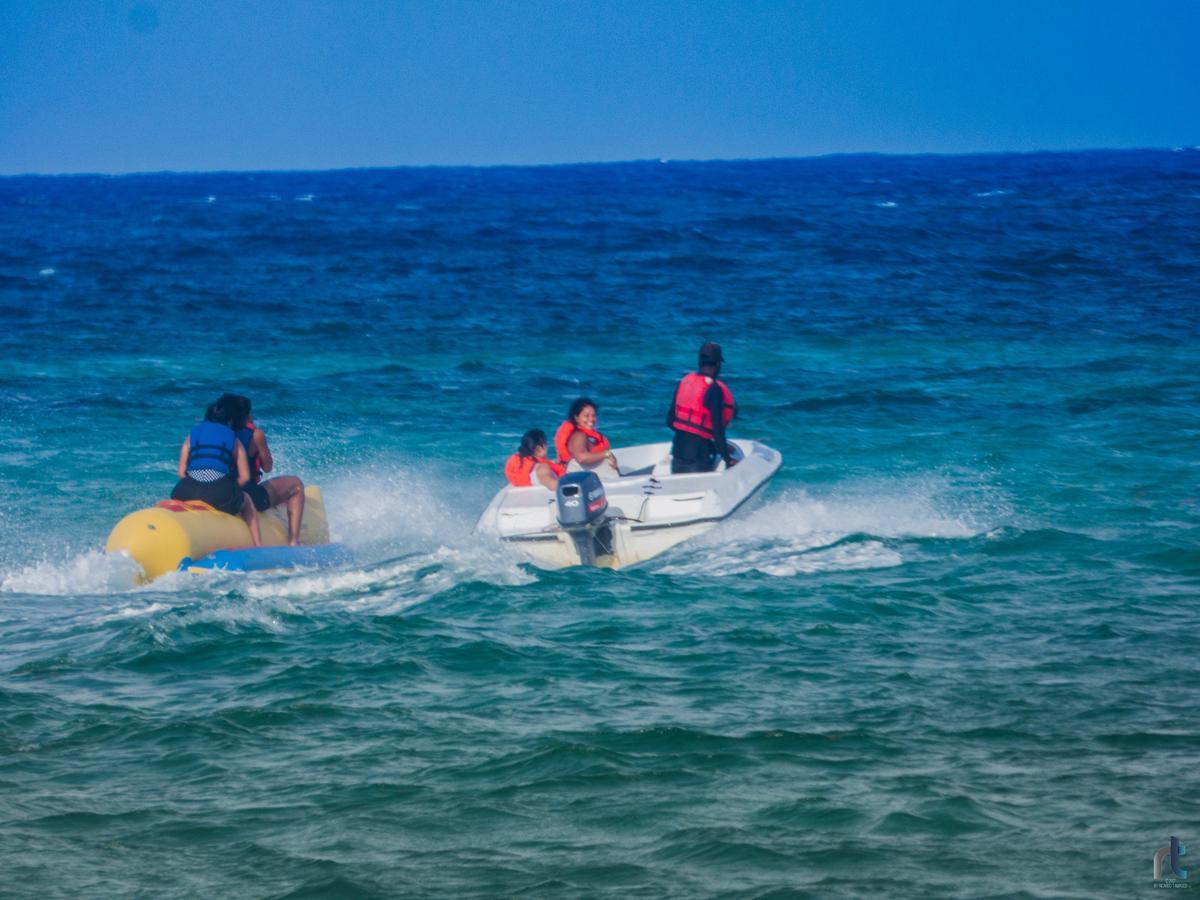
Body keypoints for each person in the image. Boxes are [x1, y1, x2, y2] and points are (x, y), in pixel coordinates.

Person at [172, 397, 261, 545]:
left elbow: (181, 472)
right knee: (248, 502)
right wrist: (231, 490)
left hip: (185, 491)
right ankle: (257, 546)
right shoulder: (233, 439)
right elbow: (245, 477)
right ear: (230, 420)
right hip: (219, 493)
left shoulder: (191, 436)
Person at [227, 394, 306, 546]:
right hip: (247, 494)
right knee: (296, 484)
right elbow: (267, 467)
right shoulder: (255, 435)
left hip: (219, 489)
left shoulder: (218, 434)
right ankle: (294, 541)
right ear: (247, 415)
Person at [666, 341, 738, 473]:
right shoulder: (714, 389)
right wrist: (728, 459)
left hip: (677, 457)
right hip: (697, 460)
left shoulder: (685, 382)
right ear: (717, 364)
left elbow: (670, 421)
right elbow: (718, 432)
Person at [554, 397, 620, 479]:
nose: (591, 419)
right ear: (576, 418)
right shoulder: (579, 436)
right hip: (589, 482)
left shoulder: (585, 435)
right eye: (586, 415)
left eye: (593, 415)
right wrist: (607, 453)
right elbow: (581, 458)